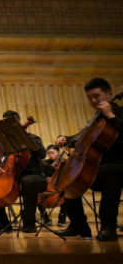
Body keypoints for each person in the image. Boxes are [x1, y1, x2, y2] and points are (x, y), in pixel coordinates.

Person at [55, 77, 123, 242]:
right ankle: (79, 225)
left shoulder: (119, 112)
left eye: (96, 96)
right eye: (89, 97)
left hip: (118, 165)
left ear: (109, 94)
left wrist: (111, 115)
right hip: (98, 166)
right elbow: (85, 137)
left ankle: (108, 226)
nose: (93, 100)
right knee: (67, 175)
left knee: (109, 170)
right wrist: (66, 138)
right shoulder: (97, 117)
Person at [0, 110, 47, 233]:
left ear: (16, 123)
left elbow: (42, 154)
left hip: (33, 175)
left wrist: (26, 139)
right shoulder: (3, 143)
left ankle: (29, 222)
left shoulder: (32, 137)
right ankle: (2, 222)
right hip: (12, 176)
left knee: (27, 181)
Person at [39, 144, 67, 227]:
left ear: (58, 152)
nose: (51, 155)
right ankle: (46, 219)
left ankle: (62, 219)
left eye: (53, 153)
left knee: (65, 194)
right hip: (47, 185)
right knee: (38, 197)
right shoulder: (44, 163)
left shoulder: (64, 162)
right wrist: (45, 178)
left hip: (59, 185)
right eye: (49, 153)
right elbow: (41, 174)